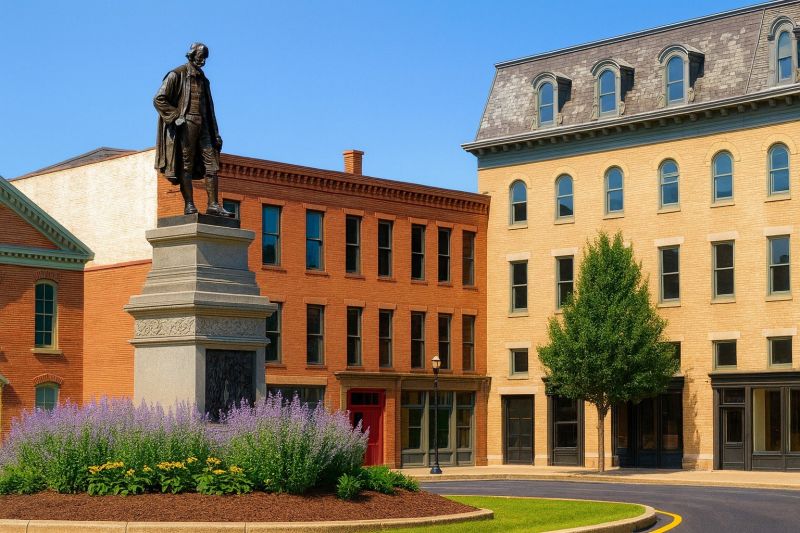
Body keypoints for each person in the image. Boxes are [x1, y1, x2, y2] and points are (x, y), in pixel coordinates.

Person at [154, 42, 232, 217]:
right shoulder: (177, 74)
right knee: (186, 165)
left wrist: (216, 133)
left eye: (204, 58)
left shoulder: (204, 80)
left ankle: (213, 205)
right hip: (186, 124)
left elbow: (209, 109)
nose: (202, 61)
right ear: (191, 55)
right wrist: (175, 116)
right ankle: (189, 204)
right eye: (200, 57)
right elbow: (159, 99)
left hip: (204, 127)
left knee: (212, 165)